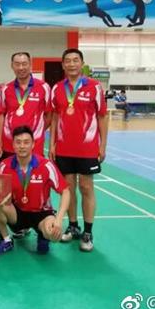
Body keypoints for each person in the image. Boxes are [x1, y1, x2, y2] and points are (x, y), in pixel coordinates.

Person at [49, 48, 107, 252]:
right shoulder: (57, 88)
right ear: (63, 65)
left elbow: (101, 116)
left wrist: (102, 145)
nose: (72, 64)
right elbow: (55, 117)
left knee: (86, 187)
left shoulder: (94, 87)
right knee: (68, 188)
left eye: (75, 60)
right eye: (68, 61)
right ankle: (73, 226)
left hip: (87, 147)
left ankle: (88, 231)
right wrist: (52, 144)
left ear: (82, 63)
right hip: (64, 147)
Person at [0, 126, 70, 256]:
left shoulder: (46, 165)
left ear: (33, 144)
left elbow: (65, 191)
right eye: (18, 142)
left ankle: (43, 235)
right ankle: (6, 239)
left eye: (26, 142)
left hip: (41, 213)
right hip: (17, 212)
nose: (22, 146)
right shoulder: (4, 166)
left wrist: (59, 220)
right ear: (13, 145)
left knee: (54, 235)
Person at [2, 52, 51, 159]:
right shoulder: (6, 89)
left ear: (30, 65)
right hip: (9, 144)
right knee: (11, 169)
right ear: (12, 66)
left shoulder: (44, 87)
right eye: (17, 64)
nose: (21, 68)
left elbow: (49, 115)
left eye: (24, 64)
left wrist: (37, 130)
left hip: (35, 144)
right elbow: (2, 116)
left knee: (34, 170)